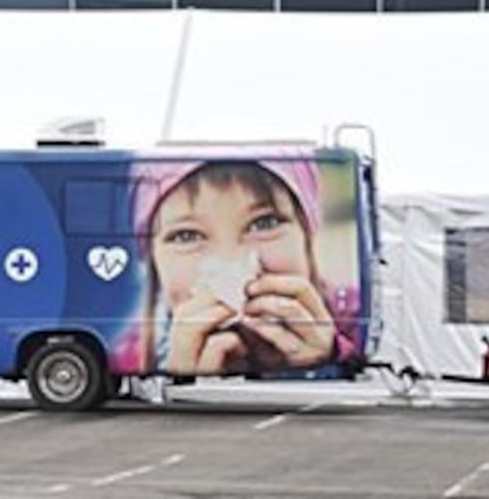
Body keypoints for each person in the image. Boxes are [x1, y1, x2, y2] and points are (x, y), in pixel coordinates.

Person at [114, 157, 360, 377]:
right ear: (154, 263)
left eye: (265, 223)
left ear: (307, 237)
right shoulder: (129, 355)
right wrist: (177, 377)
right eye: (186, 236)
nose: (231, 262)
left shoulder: (355, 319)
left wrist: (328, 358)